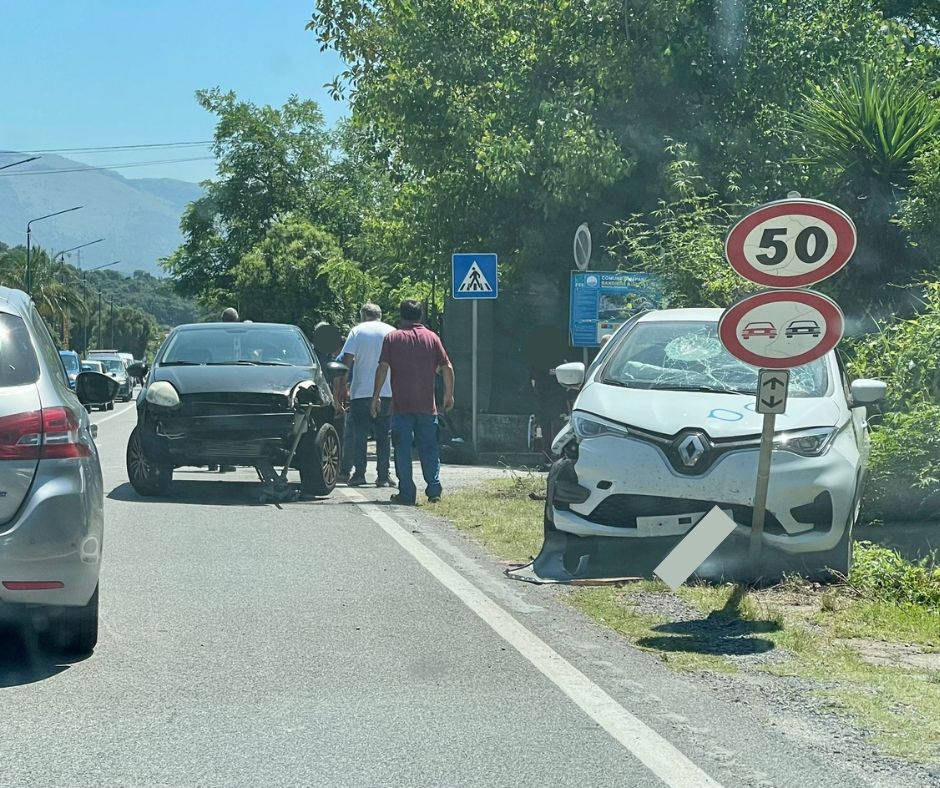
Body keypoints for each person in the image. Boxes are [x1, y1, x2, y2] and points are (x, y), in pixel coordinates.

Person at [372, 300, 454, 505]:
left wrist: (376, 397)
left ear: (401, 315)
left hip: (401, 406)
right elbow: (447, 367)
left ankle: (407, 493)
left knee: (402, 449)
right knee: (429, 448)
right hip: (427, 406)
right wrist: (448, 395)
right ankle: (434, 489)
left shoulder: (393, 338)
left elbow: (382, 368)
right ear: (421, 315)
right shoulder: (432, 338)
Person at [337, 304, 396, 487]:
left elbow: (346, 362)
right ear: (380, 315)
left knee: (360, 434)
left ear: (363, 315)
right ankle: (383, 475)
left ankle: (359, 474)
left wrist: (342, 388)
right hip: (386, 391)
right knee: (384, 435)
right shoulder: (392, 332)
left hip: (361, 392)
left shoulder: (357, 331)